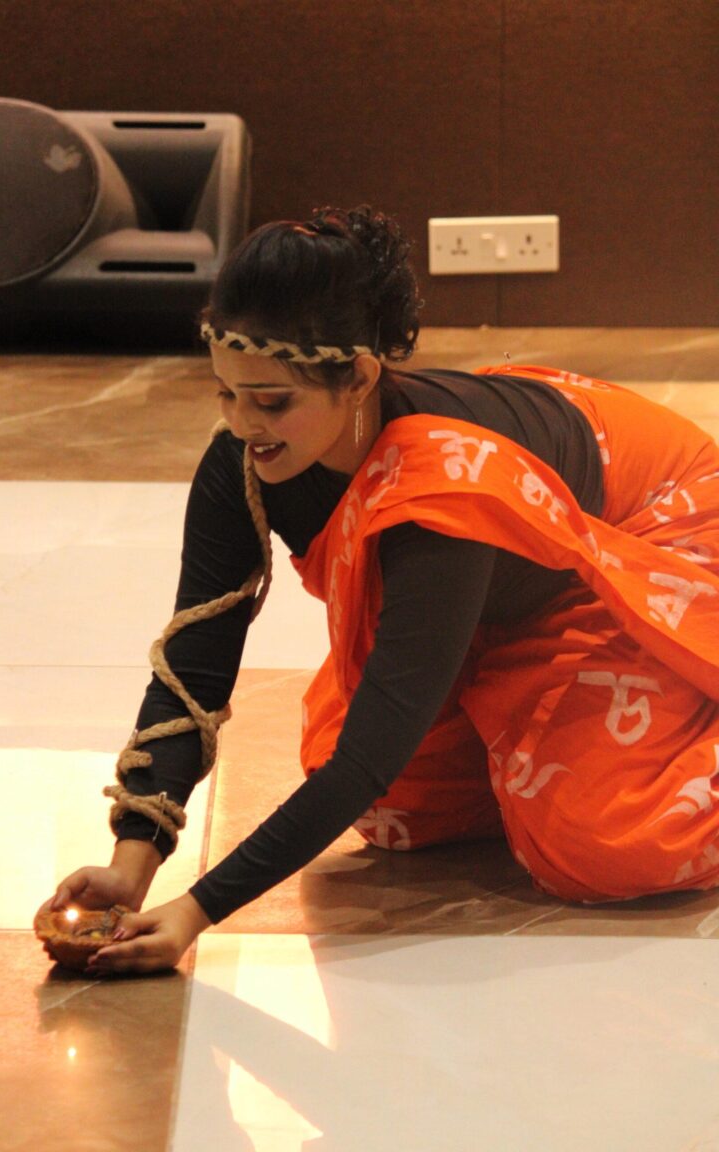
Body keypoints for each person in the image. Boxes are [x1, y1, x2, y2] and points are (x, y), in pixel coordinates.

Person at [40, 206, 719, 974]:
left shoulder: (444, 487)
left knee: (603, 840)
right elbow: (195, 668)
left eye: (272, 401)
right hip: (500, 583)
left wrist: (196, 911)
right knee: (394, 810)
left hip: (642, 544)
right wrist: (133, 863)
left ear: (359, 378)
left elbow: (370, 753)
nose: (243, 424)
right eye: (225, 393)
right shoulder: (246, 462)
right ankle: (546, 745)